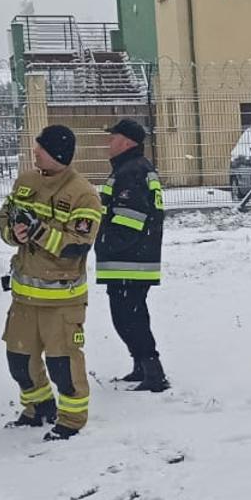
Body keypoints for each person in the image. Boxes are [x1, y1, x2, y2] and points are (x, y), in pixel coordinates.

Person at [0, 125, 103, 440]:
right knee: (19, 361)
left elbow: (78, 245)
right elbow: (5, 216)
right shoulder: (26, 182)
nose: (34, 152)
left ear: (57, 153)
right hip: (23, 299)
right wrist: (13, 232)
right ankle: (38, 407)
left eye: (40, 148)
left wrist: (38, 231)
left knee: (64, 366)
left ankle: (71, 420)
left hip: (62, 301)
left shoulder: (83, 193)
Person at [94, 119, 170, 393]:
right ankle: (141, 366)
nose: (108, 142)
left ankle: (153, 372)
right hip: (133, 259)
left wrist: (106, 241)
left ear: (128, 142)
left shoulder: (131, 172)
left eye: (113, 138)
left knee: (128, 318)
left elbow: (130, 217)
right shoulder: (133, 168)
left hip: (129, 260)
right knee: (131, 316)